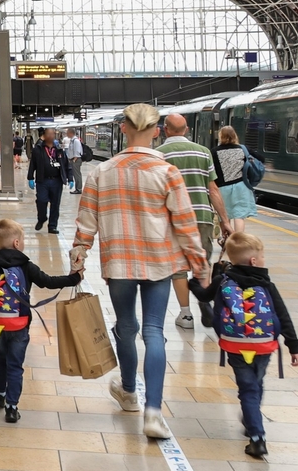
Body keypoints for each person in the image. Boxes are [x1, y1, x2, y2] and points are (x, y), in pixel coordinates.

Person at [72, 103, 207, 440]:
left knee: (126, 327)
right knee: (153, 331)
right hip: (159, 262)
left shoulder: (101, 173)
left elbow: (86, 222)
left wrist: (79, 253)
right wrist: (199, 263)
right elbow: (186, 223)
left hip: (119, 263)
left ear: (123, 130)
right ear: (156, 131)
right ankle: (154, 413)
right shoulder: (168, 172)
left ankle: (129, 391)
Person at [190, 232, 298, 458]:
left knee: (247, 388)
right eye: (262, 257)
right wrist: (294, 346)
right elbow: (283, 315)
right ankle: (254, 425)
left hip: (235, 344)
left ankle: (257, 435)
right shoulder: (266, 284)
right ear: (253, 261)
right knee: (256, 384)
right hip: (263, 345)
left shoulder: (223, 280)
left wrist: (193, 282)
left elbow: (203, 296)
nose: (263, 261)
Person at [0, 219, 83, 423]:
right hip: (19, 323)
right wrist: (73, 278)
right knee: (15, 364)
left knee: (1, 356)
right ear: (17, 244)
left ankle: (0, 394)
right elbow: (48, 282)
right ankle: (12, 407)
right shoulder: (26, 266)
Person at [157, 113, 231, 329]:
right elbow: (213, 189)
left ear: (165, 129)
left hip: (173, 217)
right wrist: (225, 220)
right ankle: (204, 301)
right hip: (202, 216)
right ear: (187, 129)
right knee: (202, 262)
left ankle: (186, 315)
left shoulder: (159, 154)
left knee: (179, 267)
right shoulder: (204, 152)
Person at [213, 126, 256, 235]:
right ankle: (239, 239)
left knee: (224, 216)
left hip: (222, 188)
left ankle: (227, 240)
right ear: (234, 136)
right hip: (241, 186)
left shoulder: (214, 151)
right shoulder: (242, 149)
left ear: (220, 136)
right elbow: (261, 158)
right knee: (239, 215)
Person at [27, 127, 70, 234]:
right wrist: (30, 177)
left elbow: (66, 164)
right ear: (44, 136)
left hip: (57, 181)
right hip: (43, 181)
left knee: (55, 204)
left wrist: (70, 178)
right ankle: (42, 218)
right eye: (48, 134)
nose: (50, 136)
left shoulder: (59, 149)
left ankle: (52, 226)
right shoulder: (38, 149)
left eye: (52, 134)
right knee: (41, 200)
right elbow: (33, 164)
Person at [63, 128, 84, 194]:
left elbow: (77, 151)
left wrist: (74, 159)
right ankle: (77, 188)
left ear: (70, 133)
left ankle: (79, 189)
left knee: (77, 175)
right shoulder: (72, 141)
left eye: (67, 133)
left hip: (76, 160)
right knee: (75, 175)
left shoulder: (76, 141)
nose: (66, 134)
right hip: (73, 160)